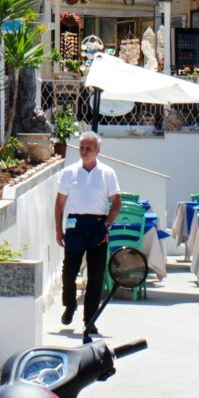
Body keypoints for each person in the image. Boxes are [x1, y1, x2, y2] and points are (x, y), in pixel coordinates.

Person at [54, 131, 122, 343]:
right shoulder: (69, 172)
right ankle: (70, 304)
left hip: (98, 226)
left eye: (88, 148)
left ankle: (90, 319)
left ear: (97, 150)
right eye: (82, 148)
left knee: (96, 276)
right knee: (69, 272)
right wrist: (58, 230)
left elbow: (116, 202)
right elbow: (60, 203)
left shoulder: (107, 173)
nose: (84, 152)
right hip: (75, 225)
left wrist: (107, 226)